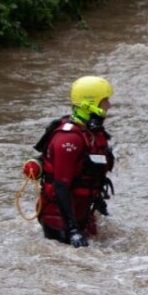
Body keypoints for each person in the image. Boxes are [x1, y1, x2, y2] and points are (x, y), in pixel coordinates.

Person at [30, 76, 116, 247]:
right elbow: (61, 186)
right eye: (104, 101)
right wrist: (72, 230)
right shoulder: (68, 139)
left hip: (83, 213)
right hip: (59, 220)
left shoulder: (92, 133)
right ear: (89, 104)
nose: (109, 105)